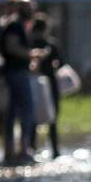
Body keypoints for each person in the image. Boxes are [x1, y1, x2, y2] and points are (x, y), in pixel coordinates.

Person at [0, 0, 38, 164]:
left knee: (14, 111)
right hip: (16, 74)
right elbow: (11, 46)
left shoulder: (21, 26)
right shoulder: (15, 25)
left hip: (19, 72)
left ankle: (13, 150)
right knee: (25, 110)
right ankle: (23, 149)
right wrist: (31, 54)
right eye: (25, 6)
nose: (28, 9)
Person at [29, 14, 62, 159]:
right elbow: (60, 63)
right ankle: (55, 151)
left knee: (33, 118)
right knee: (52, 119)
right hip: (49, 84)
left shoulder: (30, 44)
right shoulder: (51, 45)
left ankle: (31, 148)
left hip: (33, 84)